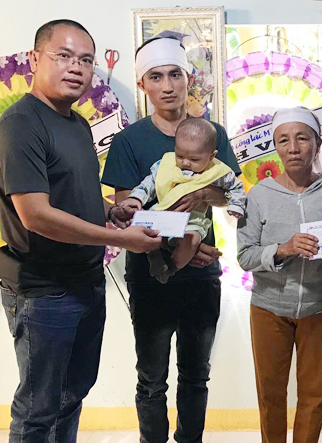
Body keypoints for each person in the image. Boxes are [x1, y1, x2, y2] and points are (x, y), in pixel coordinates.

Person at [0, 19, 161, 443]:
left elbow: (70, 192)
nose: (76, 68)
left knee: (72, 394)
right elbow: (37, 216)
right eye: (63, 56)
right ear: (35, 58)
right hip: (43, 290)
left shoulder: (77, 123)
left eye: (85, 60)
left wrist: (111, 212)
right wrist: (121, 240)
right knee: (38, 408)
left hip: (85, 282)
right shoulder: (21, 125)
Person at [101, 36, 241, 443]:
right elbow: (127, 212)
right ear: (143, 84)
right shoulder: (130, 141)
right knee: (152, 378)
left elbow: (227, 193)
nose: (167, 85)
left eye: (175, 74)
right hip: (150, 273)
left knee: (197, 375)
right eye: (156, 76)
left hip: (202, 273)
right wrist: (180, 243)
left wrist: (202, 198)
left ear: (188, 79)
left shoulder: (213, 134)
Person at [237, 107, 322, 443]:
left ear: (317, 142)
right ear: (275, 147)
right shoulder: (258, 195)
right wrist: (282, 249)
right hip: (269, 307)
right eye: (283, 140)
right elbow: (244, 255)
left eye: (302, 138)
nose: (293, 147)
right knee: (270, 394)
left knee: (315, 395)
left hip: (321, 304)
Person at [117, 118, 246, 283]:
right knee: (146, 233)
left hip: (192, 222)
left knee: (190, 241)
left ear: (211, 155)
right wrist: (136, 199)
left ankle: (171, 268)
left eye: (194, 159)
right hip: (161, 216)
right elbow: (148, 185)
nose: (185, 162)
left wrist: (236, 205)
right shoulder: (164, 165)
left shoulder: (217, 170)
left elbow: (235, 188)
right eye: (180, 155)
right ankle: (154, 255)